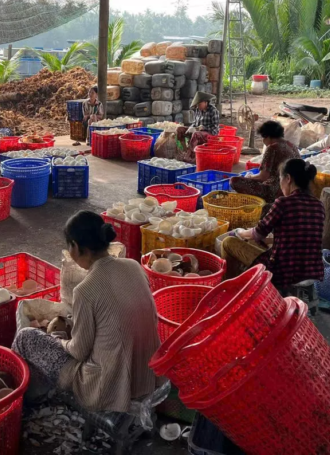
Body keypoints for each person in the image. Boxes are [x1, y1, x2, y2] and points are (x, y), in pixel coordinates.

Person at [12, 211, 160, 412]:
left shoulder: (85, 290)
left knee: (26, 337)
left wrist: (57, 339)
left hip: (107, 386)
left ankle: (24, 401)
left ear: (74, 246)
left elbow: (79, 351)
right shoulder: (133, 266)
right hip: (147, 374)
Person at [221, 159, 325, 293]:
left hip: (285, 272)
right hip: (312, 270)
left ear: (288, 178)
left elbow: (257, 233)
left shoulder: (283, 203)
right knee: (260, 243)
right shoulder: (319, 205)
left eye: (280, 179)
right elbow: (300, 236)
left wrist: (239, 233)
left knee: (228, 242)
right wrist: (267, 240)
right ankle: (242, 281)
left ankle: (231, 290)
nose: (280, 184)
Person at [231, 120, 300, 203]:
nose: (263, 141)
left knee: (234, 181)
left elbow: (263, 177)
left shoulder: (272, 148)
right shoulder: (292, 146)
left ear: (267, 136)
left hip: (275, 191)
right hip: (294, 190)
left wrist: (249, 177)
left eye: (263, 138)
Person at [176, 92, 220, 163]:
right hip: (198, 131)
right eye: (197, 105)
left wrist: (203, 127)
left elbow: (215, 129)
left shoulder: (213, 111)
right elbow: (195, 123)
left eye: (199, 104)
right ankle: (185, 150)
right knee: (180, 129)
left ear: (206, 102)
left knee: (196, 134)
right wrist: (191, 127)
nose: (198, 106)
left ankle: (190, 156)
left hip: (210, 134)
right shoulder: (198, 110)